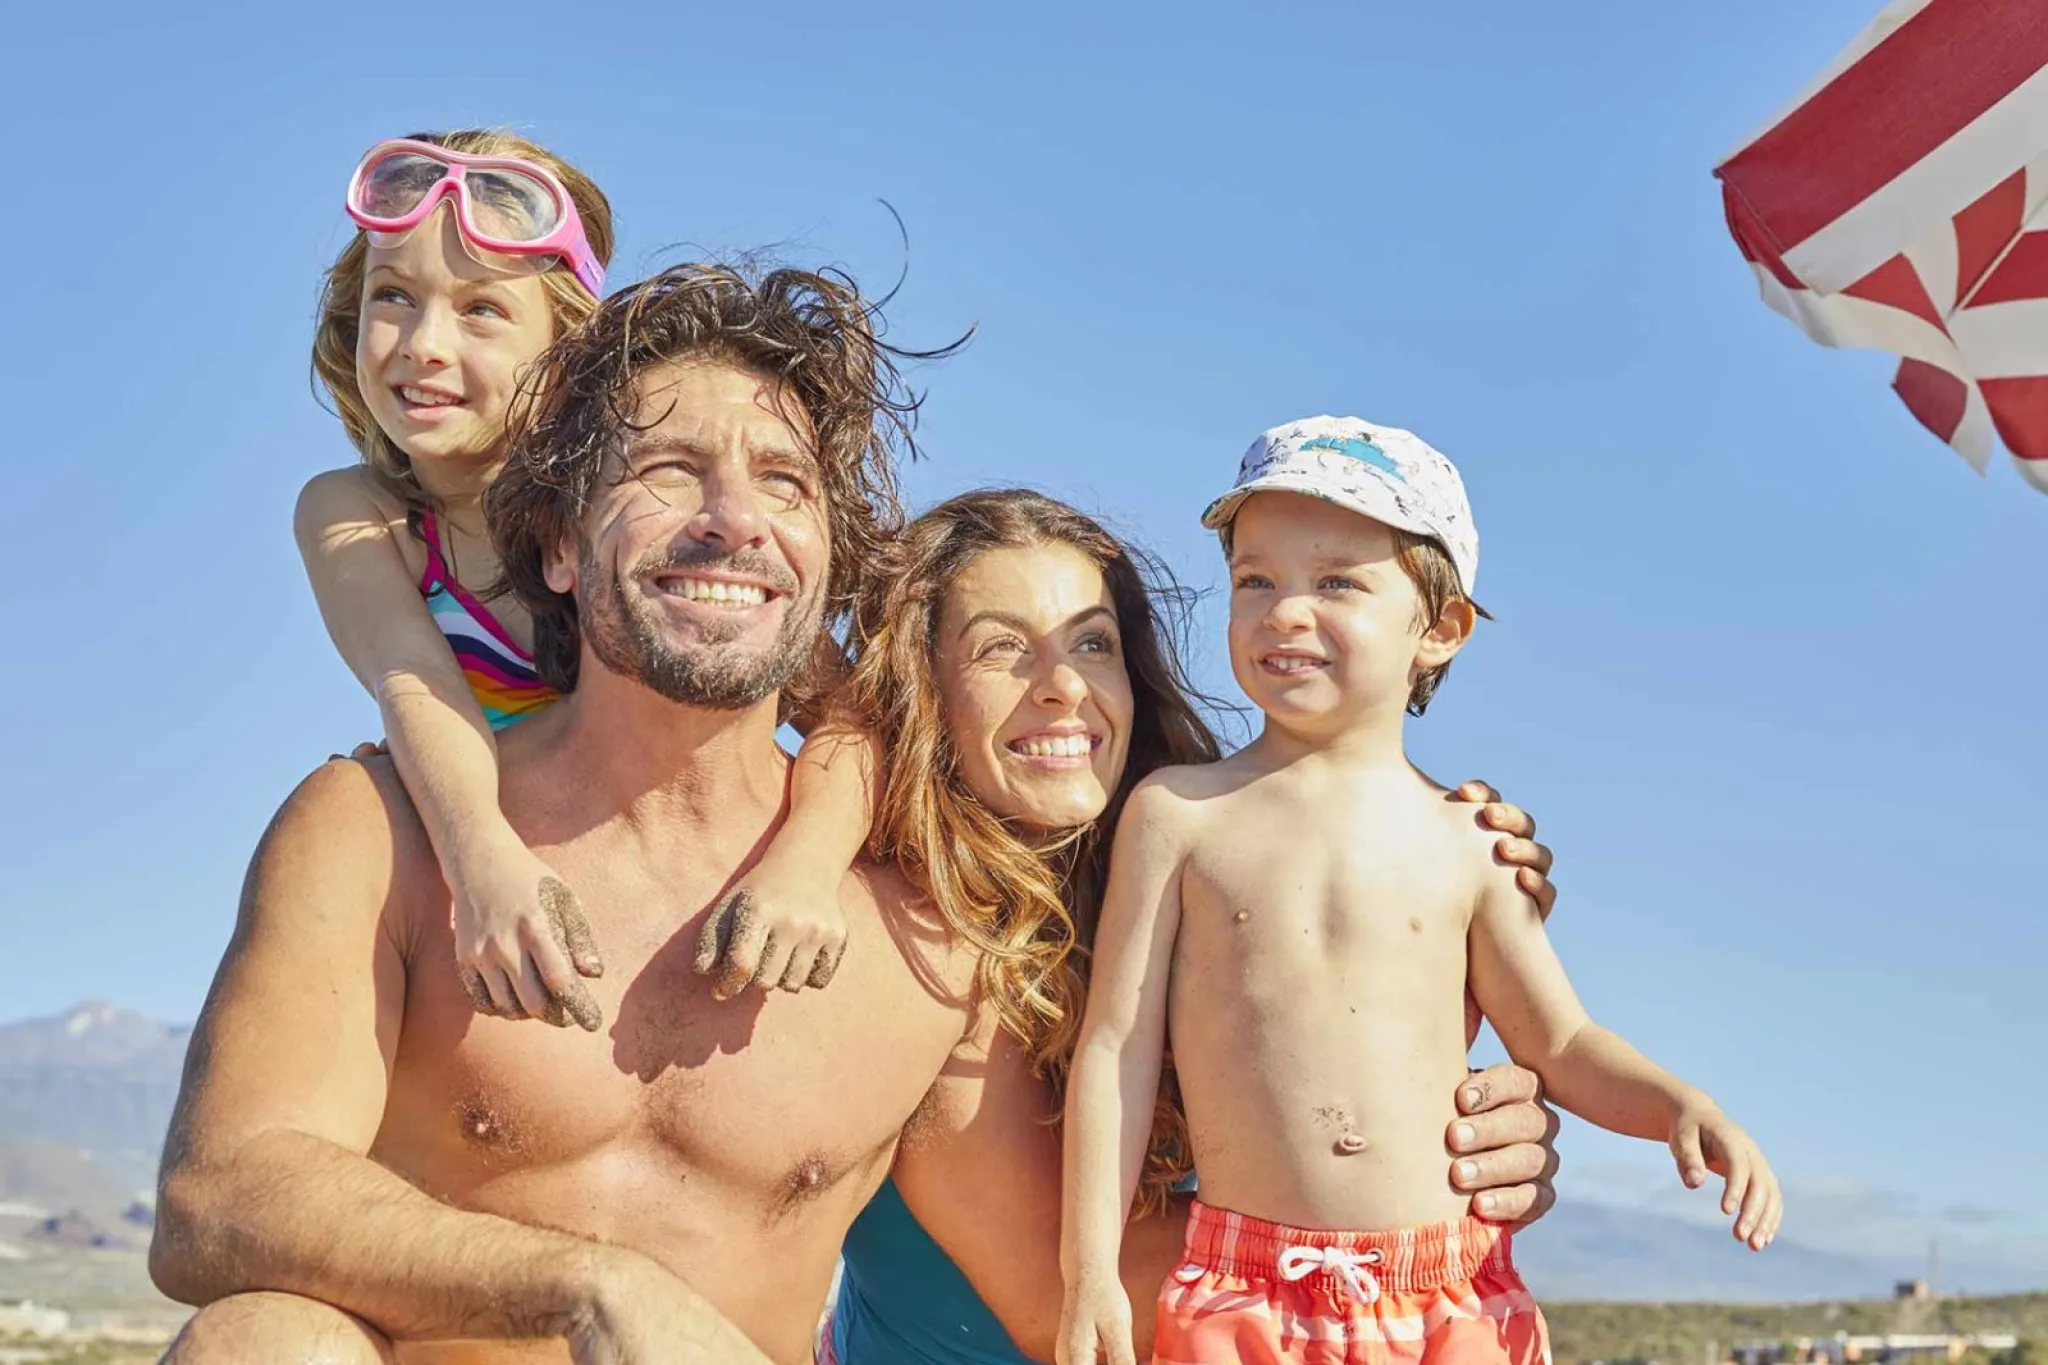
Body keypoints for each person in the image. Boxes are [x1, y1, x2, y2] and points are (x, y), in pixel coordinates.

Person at [150, 264, 1565, 1364]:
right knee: (260, 1338)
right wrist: (591, 1284)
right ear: (561, 545)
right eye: (664, 473)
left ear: (826, 563)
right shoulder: (383, 830)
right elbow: (219, 1197)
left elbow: (1104, 1300)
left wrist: (1426, 1151)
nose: (732, 519)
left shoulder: (914, 939)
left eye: (783, 483)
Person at [1059, 417, 1783, 1365]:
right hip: (1241, 1289)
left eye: (1338, 582)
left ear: (1438, 629)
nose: (1284, 610)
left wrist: (1680, 1104)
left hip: (1449, 1297)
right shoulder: (1178, 815)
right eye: (1256, 579)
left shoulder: (1471, 842)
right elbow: (1116, 1048)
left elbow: (1561, 1042)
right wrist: (1090, 1272)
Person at [819, 490, 1564, 1365]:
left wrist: (1465, 1134)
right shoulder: (919, 936)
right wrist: (1413, 1228)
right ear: (924, 684)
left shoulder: (1186, 860)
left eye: (1092, 643)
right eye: (1000, 648)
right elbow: (1060, 1302)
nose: (1061, 685)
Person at [296, 132, 869, 1033]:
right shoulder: (360, 514)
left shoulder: (633, 522)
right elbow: (411, 678)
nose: (424, 344)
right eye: (393, 296)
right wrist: (481, 855)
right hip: (509, 887)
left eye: (482, 310)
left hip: (674, 888)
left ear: (568, 353)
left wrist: (805, 861)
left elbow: (850, 716)